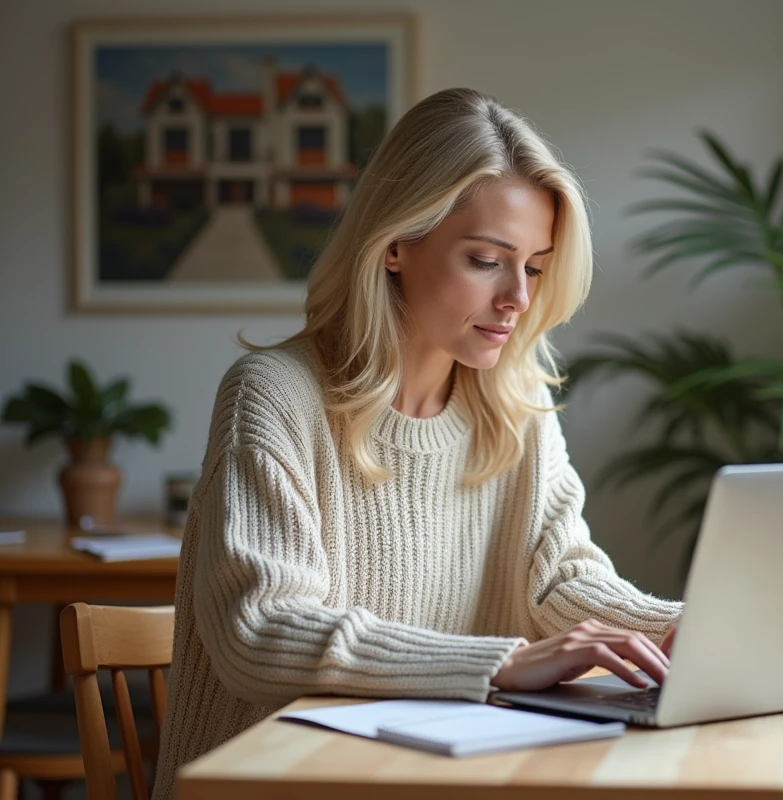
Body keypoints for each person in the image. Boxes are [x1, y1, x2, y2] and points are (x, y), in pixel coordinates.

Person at [151, 88, 683, 798]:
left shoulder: (516, 405)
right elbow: (260, 629)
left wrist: (689, 631)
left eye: (533, 266)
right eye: (486, 259)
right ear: (396, 244)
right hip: (277, 784)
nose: (518, 298)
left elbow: (559, 580)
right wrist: (498, 664)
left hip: (440, 780)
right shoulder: (274, 394)